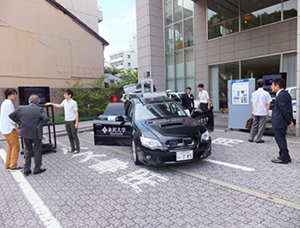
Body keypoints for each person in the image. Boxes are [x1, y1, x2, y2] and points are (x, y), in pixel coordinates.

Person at [9, 95, 49, 175]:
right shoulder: (39, 109)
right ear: (38, 102)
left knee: (28, 151)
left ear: (29, 101)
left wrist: (20, 123)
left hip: (25, 132)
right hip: (36, 133)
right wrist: (39, 125)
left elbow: (11, 115)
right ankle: (37, 168)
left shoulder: (21, 108)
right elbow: (46, 118)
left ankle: (26, 169)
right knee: (37, 150)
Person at [45, 89, 80, 154]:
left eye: (65, 94)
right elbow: (59, 106)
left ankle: (77, 148)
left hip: (72, 120)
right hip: (67, 121)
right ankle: (72, 148)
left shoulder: (74, 103)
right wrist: (51, 103)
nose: (64, 95)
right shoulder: (64, 101)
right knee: (69, 135)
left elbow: (76, 112)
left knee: (74, 135)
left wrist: (76, 122)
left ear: (70, 95)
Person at [271, 78, 294, 164]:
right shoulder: (286, 94)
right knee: (282, 139)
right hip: (282, 121)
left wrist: (289, 120)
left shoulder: (280, 95)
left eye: (272, 85)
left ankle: (283, 158)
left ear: (277, 86)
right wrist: (289, 120)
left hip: (279, 121)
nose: (271, 87)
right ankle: (285, 156)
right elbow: (289, 108)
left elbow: (284, 109)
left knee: (280, 140)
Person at [0, 88, 22, 171]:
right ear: (9, 95)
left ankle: (8, 164)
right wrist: (17, 128)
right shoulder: (9, 103)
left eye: (16, 94)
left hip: (5, 128)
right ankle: (13, 165)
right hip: (10, 128)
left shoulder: (5, 103)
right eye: (14, 94)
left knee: (10, 147)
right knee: (16, 147)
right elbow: (12, 117)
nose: (15, 96)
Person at [248, 79, 272, 143]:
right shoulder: (266, 93)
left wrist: (253, 111)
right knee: (261, 126)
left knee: (254, 125)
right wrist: (268, 112)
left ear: (257, 85)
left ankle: (251, 137)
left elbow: (252, 103)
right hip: (263, 111)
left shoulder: (254, 93)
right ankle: (258, 139)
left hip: (255, 111)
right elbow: (267, 103)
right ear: (264, 85)